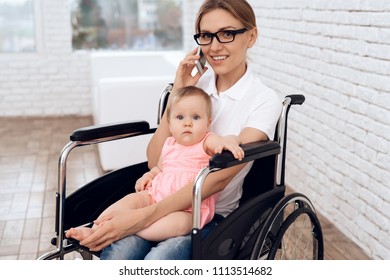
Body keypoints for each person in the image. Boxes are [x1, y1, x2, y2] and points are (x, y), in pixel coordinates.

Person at [74, 0, 282, 259]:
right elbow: (154, 160)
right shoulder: (196, 87)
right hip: (159, 198)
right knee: (118, 256)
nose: (215, 46)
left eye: (227, 34)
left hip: (208, 213)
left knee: (159, 261)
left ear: (251, 36)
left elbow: (218, 179)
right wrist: (177, 92)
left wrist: (142, 217)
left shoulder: (263, 99)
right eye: (206, 36)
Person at [66, 86, 244, 242]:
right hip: (155, 196)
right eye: (180, 117)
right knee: (132, 199)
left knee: (180, 225)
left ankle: (130, 228)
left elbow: (225, 141)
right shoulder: (169, 144)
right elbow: (159, 168)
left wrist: (228, 142)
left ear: (208, 123)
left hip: (189, 209)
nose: (188, 122)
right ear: (170, 124)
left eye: (196, 117)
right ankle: (96, 228)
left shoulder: (206, 142)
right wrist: (148, 175)